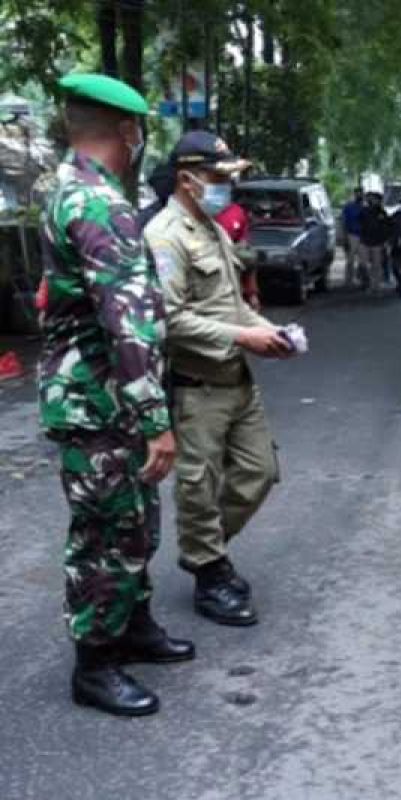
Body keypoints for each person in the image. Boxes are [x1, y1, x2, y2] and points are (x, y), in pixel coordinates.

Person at [39, 73, 192, 718]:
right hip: (100, 402)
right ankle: (95, 663)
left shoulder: (68, 190)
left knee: (133, 519)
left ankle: (132, 625)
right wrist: (155, 419)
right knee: (105, 530)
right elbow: (124, 318)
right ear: (128, 132)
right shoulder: (99, 204)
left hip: (106, 399)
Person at [144, 131, 291, 627]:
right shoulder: (166, 236)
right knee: (198, 486)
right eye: (218, 177)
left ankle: (204, 550)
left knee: (259, 472)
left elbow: (230, 304)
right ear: (186, 180)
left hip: (237, 378)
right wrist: (240, 336)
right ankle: (209, 571)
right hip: (196, 384)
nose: (227, 186)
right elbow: (170, 318)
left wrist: (268, 332)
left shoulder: (212, 229)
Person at [215, 198, 261, 311]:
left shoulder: (237, 211)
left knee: (249, 258)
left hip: (233, 253)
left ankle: (250, 296)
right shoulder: (204, 212)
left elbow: (243, 239)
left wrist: (252, 294)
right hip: (212, 253)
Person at [360, 192, 391, 290]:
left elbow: (386, 227)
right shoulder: (364, 211)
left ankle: (375, 285)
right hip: (365, 240)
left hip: (377, 242)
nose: (373, 201)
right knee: (364, 264)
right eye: (372, 199)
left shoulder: (382, 212)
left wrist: (385, 240)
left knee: (376, 265)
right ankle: (367, 282)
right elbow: (359, 223)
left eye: (375, 199)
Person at [341, 188, 364, 288]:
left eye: (361, 193)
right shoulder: (349, 207)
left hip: (363, 235)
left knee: (363, 259)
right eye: (357, 193)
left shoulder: (365, 207)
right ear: (355, 194)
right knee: (350, 259)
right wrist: (344, 236)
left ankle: (362, 279)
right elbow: (344, 222)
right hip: (352, 234)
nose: (359, 195)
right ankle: (348, 280)